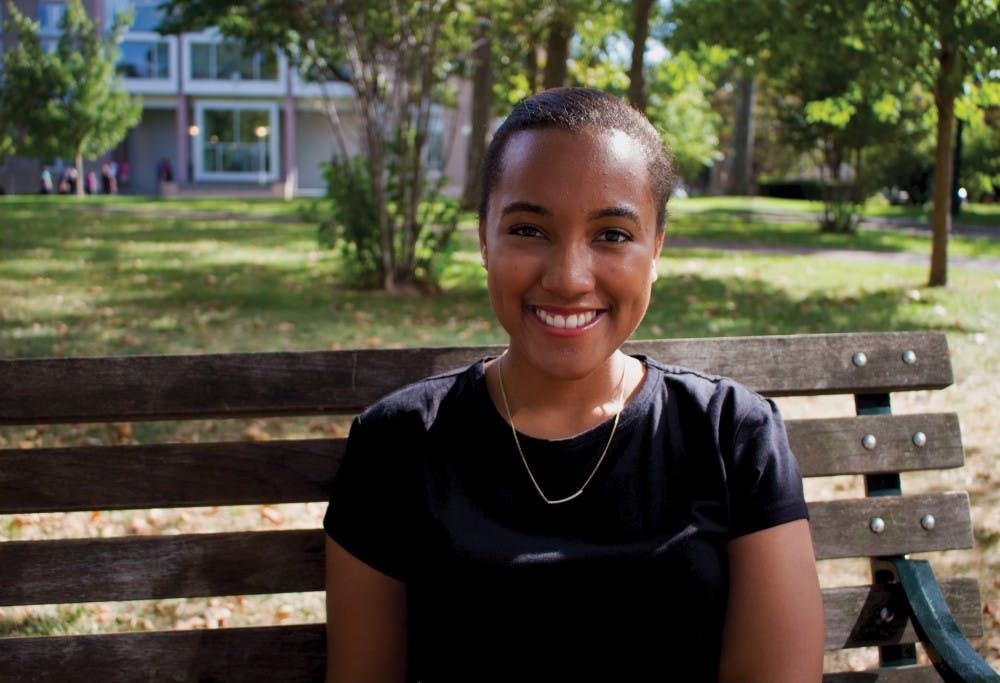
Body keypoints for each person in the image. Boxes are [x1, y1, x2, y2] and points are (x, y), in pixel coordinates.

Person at [323, 87, 824, 683]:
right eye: (529, 229)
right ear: (484, 239)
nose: (568, 278)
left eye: (612, 234)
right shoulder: (399, 443)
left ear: (656, 249)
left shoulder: (731, 434)